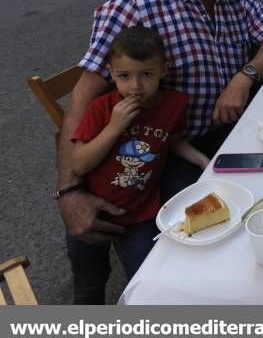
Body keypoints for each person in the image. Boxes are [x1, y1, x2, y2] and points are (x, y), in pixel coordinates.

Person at [56, 0, 263, 255]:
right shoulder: (134, 7)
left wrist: (244, 76)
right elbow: (83, 97)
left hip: (234, 131)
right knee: (202, 243)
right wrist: (69, 191)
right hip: (170, 150)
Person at [67, 26, 208, 303]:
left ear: (164, 70)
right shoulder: (103, 108)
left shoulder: (175, 104)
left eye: (146, 74)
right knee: (88, 284)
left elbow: (172, 139)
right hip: (95, 213)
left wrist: (203, 160)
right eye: (124, 76)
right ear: (110, 72)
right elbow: (79, 164)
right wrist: (114, 127)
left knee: (145, 287)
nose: (135, 86)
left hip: (141, 215)